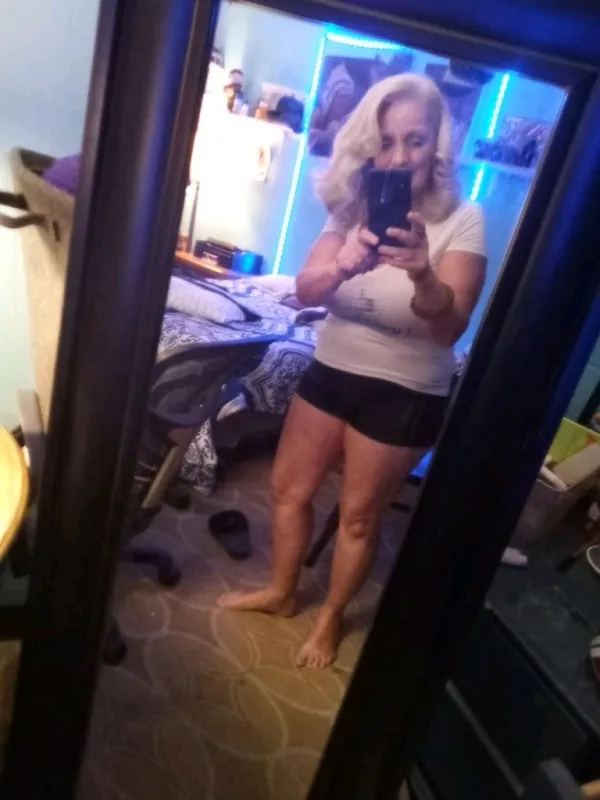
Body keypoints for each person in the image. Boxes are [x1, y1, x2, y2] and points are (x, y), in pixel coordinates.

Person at [219, 73, 487, 668]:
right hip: (332, 369)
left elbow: (450, 329)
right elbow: (305, 292)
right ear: (367, 146)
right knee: (288, 489)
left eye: (416, 140)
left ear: (438, 145)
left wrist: (422, 273)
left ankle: (330, 618)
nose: (401, 156)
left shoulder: (462, 219)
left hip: (405, 390)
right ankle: (282, 592)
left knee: (360, 518)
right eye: (386, 141)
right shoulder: (348, 209)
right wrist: (342, 263)